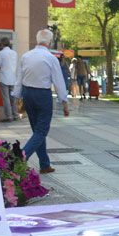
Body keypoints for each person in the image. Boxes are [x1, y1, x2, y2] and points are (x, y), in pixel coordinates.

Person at [13, 29, 70, 174]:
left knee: (37, 131)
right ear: (49, 42)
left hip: (27, 93)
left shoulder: (26, 56)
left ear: (37, 40)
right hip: (43, 94)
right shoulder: (51, 58)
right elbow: (58, 81)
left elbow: (19, 77)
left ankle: (44, 164)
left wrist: (17, 96)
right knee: (41, 131)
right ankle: (21, 156)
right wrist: (64, 101)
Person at [0, 38, 19, 121]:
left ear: (1, 44)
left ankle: (9, 117)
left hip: (4, 79)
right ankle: (16, 115)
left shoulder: (1, 53)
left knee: (6, 98)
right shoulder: (14, 53)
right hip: (13, 79)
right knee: (13, 99)